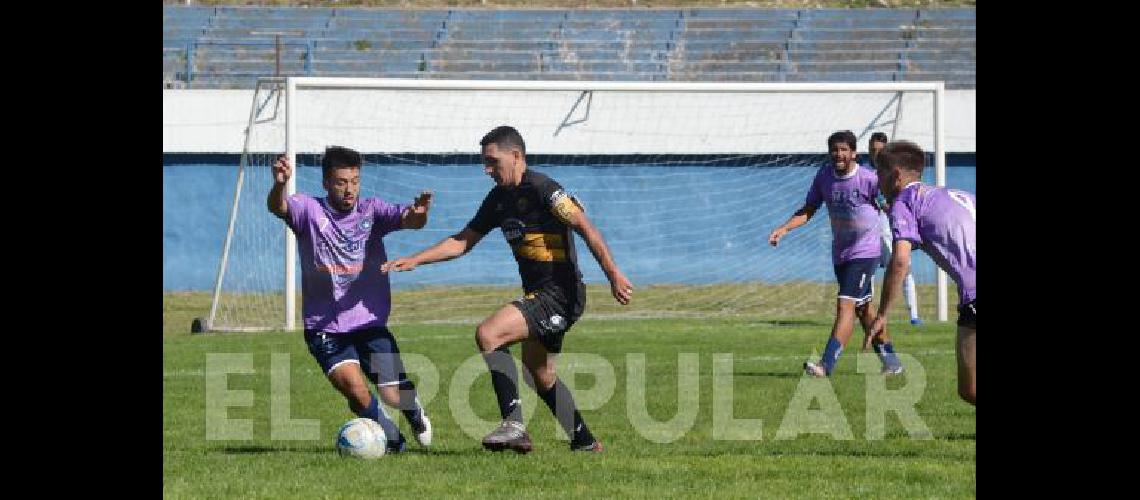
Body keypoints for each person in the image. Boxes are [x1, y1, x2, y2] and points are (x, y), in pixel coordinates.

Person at [382, 125, 633, 453]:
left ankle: (513, 425)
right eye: (484, 163)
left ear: (516, 156)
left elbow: (584, 226)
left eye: (493, 162)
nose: (487, 170)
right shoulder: (498, 199)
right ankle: (584, 442)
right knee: (540, 376)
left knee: (489, 334)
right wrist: (417, 259)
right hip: (540, 296)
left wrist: (613, 274)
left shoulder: (545, 189)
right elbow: (463, 241)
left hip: (560, 294)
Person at [267, 146, 435, 453]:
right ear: (326, 183)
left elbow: (411, 220)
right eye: (342, 182)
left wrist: (420, 213)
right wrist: (280, 184)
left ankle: (413, 411)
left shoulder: (371, 211)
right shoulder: (308, 211)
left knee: (393, 393)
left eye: (355, 181)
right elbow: (278, 207)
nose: (349, 189)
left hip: (368, 321)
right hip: (324, 326)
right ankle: (392, 442)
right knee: (356, 391)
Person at [767, 130, 903, 377]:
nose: (839, 154)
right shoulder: (824, 177)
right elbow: (809, 208)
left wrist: (903, 226)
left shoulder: (868, 179)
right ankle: (891, 361)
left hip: (865, 253)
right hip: (841, 254)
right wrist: (784, 228)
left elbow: (889, 204)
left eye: (844, 150)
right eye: (835, 150)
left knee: (845, 305)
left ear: (854, 153)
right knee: (862, 309)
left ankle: (825, 364)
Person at [869, 140, 975, 405]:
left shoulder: (905, 203)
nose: (876, 180)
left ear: (895, 176)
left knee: (970, 389)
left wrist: (882, 314)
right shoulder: (954, 194)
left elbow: (900, 260)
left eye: (879, 173)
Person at [868, 132, 922, 327]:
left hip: (894, 231)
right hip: (872, 232)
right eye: (873, 150)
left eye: (880, 151)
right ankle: (869, 314)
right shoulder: (867, 175)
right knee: (870, 271)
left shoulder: (894, 176)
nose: (876, 154)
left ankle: (914, 316)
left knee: (904, 269)